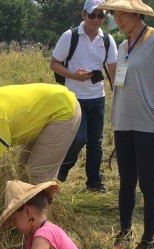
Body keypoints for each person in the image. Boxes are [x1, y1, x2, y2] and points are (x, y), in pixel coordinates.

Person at [98, 0, 154, 249]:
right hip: (124, 124)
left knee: (148, 183)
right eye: (115, 15)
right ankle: (124, 232)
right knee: (126, 182)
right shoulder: (123, 46)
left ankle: (148, 241)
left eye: (122, 15)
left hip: (149, 124)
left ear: (136, 14)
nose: (117, 20)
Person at [50, 0, 118, 193]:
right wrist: (74, 76)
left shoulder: (107, 39)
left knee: (95, 142)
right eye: (92, 15)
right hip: (74, 97)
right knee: (79, 139)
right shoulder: (69, 36)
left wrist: (118, 96)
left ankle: (94, 182)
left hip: (98, 98)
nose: (97, 19)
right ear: (83, 15)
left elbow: (113, 70)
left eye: (101, 15)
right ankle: (63, 168)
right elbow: (54, 63)